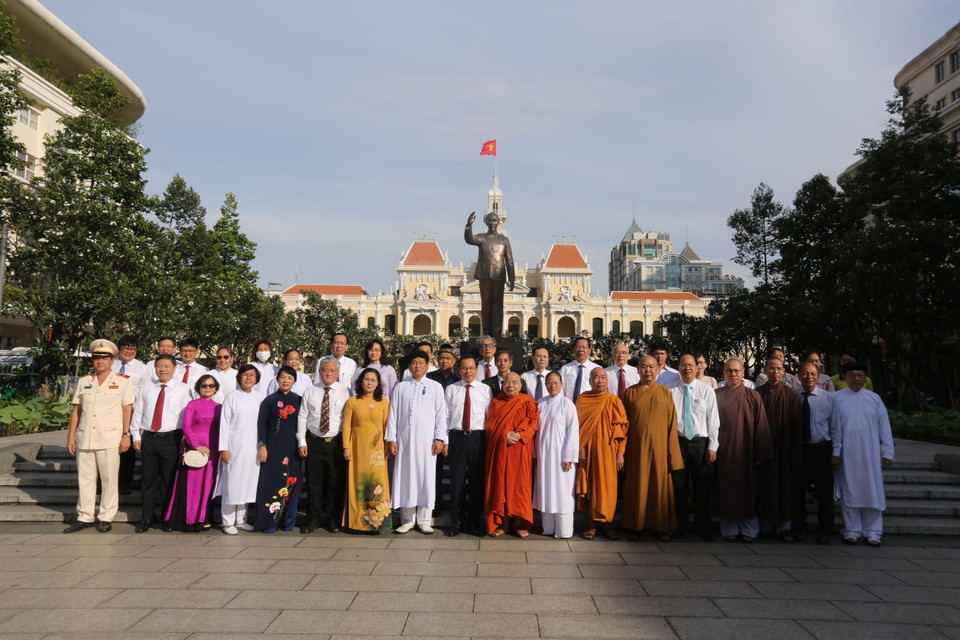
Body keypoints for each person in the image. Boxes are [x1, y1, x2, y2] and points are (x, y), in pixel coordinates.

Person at [63, 339, 134, 533]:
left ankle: (105, 516)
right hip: (85, 437)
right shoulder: (85, 381)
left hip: (110, 437)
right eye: (96, 358)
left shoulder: (122, 381)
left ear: (113, 360)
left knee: (109, 478)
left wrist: (126, 434)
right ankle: (84, 516)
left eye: (104, 358)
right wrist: (71, 437)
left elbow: (127, 409)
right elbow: (77, 410)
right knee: (85, 479)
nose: (100, 361)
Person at [832, 361, 894, 547]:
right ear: (844, 377)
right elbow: (833, 428)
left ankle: (873, 532)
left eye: (860, 375)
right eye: (852, 375)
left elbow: (884, 427)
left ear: (865, 377)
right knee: (849, 490)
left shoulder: (874, 399)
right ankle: (851, 530)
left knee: (872, 491)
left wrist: (888, 451)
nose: (857, 378)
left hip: (871, 454)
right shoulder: (836, 398)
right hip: (847, 454)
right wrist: (835, 452)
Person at [620, 356, 683, 540]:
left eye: (651, 367)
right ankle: (635, 526)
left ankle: (661, 526)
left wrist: (672, 454)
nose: (648, 370)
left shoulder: (665, 392)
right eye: (644, 367)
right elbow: (624, 424)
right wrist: (622, 451)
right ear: (638, 370)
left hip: (660, 450)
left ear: (658, 370)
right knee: (637, 487)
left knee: (659, 488)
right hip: (637, 449)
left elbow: (672, 425)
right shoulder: (630, 393)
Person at [712, 357, 773, 542]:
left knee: (748, 492)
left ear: (743, 372)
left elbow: (761, 425)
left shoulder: (753, 396)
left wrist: (759, 453)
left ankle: (749, 530)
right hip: (723, 452)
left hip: (747, 453)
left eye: (737, 371)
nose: (733, 374)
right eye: (729, 371)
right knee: (726, 491)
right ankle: (728, 529)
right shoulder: (715, 395)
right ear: (723, 373)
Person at [385, 350, 447, 534]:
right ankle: (407, 519)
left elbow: (441, 415)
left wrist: (440, 438)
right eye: (414, 362)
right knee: (405, 477)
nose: (417, 366)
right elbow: (393, 414)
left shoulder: (435, 387)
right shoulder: (401, 387)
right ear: (409, 366)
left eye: (421, 362)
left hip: (427, 442)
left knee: (425, 478)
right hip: (404, 442)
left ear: (427, 366)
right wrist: (391, 438)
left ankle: (425, 520)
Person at [130, 354, 190, 533]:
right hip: (149, 438)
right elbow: (138, 412)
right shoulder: (147, 387)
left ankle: (167, 518)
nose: (162, 369)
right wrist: (135, 435)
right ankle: (146, 518)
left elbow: (187, 416)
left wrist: (185, 439)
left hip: (171, 439)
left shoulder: (183, 389)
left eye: (166, 366)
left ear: (174, 368)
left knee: (168, 481)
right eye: (159, 366)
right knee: (148, 481)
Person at [669, 354, 720, 541]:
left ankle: (703, 526)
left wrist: (713, 446)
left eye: (690, 365)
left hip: (700, 443)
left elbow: (713, 421)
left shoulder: (707, 391)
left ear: (697, 367)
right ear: (679, 367)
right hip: (678, 442)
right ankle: (680, 526)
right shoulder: (670, 390)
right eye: (683, 365)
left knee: (702, 487)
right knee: (679, 487)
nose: (687, 368)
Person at [298, 356, 350, 534]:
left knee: (334, 483)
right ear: (319, 372)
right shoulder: (310, 391)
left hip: (335, 443)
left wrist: (346, 445)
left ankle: (332, 519)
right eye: (325, 370)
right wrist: (301, 441)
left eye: (332, 370)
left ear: (337, 373)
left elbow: (347, 419)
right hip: (314, 441)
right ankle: (313, 519)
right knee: (314, 483)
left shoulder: (345, 391)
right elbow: (302, 417)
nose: (328, 373)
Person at [575, 367, 628, 539]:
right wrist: (580, 447)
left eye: (603, 378)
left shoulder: (613, 400)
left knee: (607, 488)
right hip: (588, 452)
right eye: (596, 378)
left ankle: (607, 525)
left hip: (608, 452)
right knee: (589, 486)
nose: (600, 381)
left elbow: (622, 428)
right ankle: (591, 526)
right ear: (590, 381)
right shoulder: (583, 400)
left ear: (607, 381)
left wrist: (620, 453)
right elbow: (577, 427)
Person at [484, 372, 539, 538]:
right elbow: (490, 426)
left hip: (520, 450)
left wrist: (520, 435)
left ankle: (518, 523)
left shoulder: (527, 401)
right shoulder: (496, 402)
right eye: (507, 382)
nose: (511, 385)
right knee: (501, 484)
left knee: (519, 486)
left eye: (515, 382)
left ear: (520, 386)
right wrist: (504, 435)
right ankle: (504, 523)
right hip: (501, 450)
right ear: (502, 385)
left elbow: (533, 421)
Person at [444, 356, 492, 536]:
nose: (468, 371)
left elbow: (489, 418)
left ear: (477, 369)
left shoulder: (485, 390)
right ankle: (456, 520)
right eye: (464, 368)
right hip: (457, 438)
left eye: (471, 368)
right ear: (459, 370)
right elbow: (446, 416)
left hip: (477, 439)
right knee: (457, 481)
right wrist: (446, 440)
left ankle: (473, 520)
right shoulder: (451, 389)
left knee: (476, 482)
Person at [165, 374, 221, 532]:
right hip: (195, 449)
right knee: (192, 486)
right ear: (198, 388)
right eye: (204, 385)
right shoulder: (192, 405)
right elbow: (186, 427)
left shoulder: (219, 406)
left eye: (211, 386)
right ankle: (187, 520)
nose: (208, 388)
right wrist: (196, 446)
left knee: (207, 486)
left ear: (215, 388)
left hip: (213, 450)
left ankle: (202, 518)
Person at [756, 356, 803, 542]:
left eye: (779, 369)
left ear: (784, 372)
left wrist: (796, 452)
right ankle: (765, 526)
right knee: (764, 487)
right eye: (771, 368)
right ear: (765, 370)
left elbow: (798, 427)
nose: (775, 372)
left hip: (785, 450)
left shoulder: (791, 395)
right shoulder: (758, 393)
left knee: (785, 488)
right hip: (764, 449)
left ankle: (784, 527)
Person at [253, 366, 303, 533]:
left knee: (291, 483)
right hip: (272, 450)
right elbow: (261, 425)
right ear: (277, 380)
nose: (285, 380)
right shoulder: (269, 401)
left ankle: (288, 522)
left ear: (294, 381)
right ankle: (269, 522)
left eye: (289, 377)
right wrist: (262, 446)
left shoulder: (299, 400)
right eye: (282, 377)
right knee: (270, 483)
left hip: (293, 450)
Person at [341, 368, 392, 533]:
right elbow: (347, 425)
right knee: (358, 482)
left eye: (373, 380)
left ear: (378, 384)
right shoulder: (353, 401)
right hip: (357, 447)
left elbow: (386, 426)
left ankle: (375, 523)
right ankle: (356, 523)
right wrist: (346, 447)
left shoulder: (383, 402)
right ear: (360, 381)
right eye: (367, 379)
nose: (369, 383)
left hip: (376, 450)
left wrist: (386, 446)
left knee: (376, 484)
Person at [793, 362, 838, 545]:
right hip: (800, 449)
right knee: (797, 491)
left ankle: (824, 529)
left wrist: (836, 452)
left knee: (825, 491)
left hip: (822, 448)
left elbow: (835, 428)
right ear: (799, 376)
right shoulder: (793, 396)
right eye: (805, 373)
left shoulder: (828, 398)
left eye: (812, 374)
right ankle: (800, 528)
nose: (809, 377)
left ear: (818, 377)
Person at [218, 363, 264, 534]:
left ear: (256, 379)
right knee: (232, 483)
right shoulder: (231, 397)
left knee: (247, 484)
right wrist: (224, 448)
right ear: (239, 378)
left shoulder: (260, 398)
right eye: (245, 375)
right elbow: (224, 424)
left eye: (252, 375)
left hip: (252, 449)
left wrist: (262, 446)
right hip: (234, 448)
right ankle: (227, 521)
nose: (249, 378)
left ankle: (241, 520)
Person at [533, 372, 579, 539]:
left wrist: (569, 456)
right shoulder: (540, 403)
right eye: (549, 383)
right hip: (544, 457)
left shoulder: (568, 405)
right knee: (547, 491)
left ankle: (564, 530)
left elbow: (573, 432)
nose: (552, 386)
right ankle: (548, 528)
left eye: (555, 382)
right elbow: (536, 432)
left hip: (561, 457)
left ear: (561, 384)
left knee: (562, 492)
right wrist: (535, 453)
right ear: (545, 385)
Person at [464, 211, 515, 337]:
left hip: (499, 276)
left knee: (498, 305)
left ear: (498, 222)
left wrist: (512, 279)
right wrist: (468, 226)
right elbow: (469, 239)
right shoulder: (481, 237)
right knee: (486, 304)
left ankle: (497, 333)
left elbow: (509, 260)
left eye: (494, 220)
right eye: (490, 220)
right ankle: (486, 332)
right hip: (484, 275)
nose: (492, 222)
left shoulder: (504, 240)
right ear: (486, 222)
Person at [112, 334, 148, 496]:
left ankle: (124, 483)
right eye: (126, 348)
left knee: (127, 451)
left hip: (131, 412)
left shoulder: (142, 368)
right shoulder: (110, 364)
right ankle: (105, 483)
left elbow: (145, 392)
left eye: (132, 349)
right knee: (109, 449)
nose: (129, 351)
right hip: (110, 412)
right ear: (119, 349)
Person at [560, 337, 601, 402]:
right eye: (578, 347)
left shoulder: (597, 369)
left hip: (589, 406)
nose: (581, 350)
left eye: (584, 347)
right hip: (569, 407)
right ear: (573, 350)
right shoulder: (565, 368)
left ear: (589, 350)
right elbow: (561, 390)